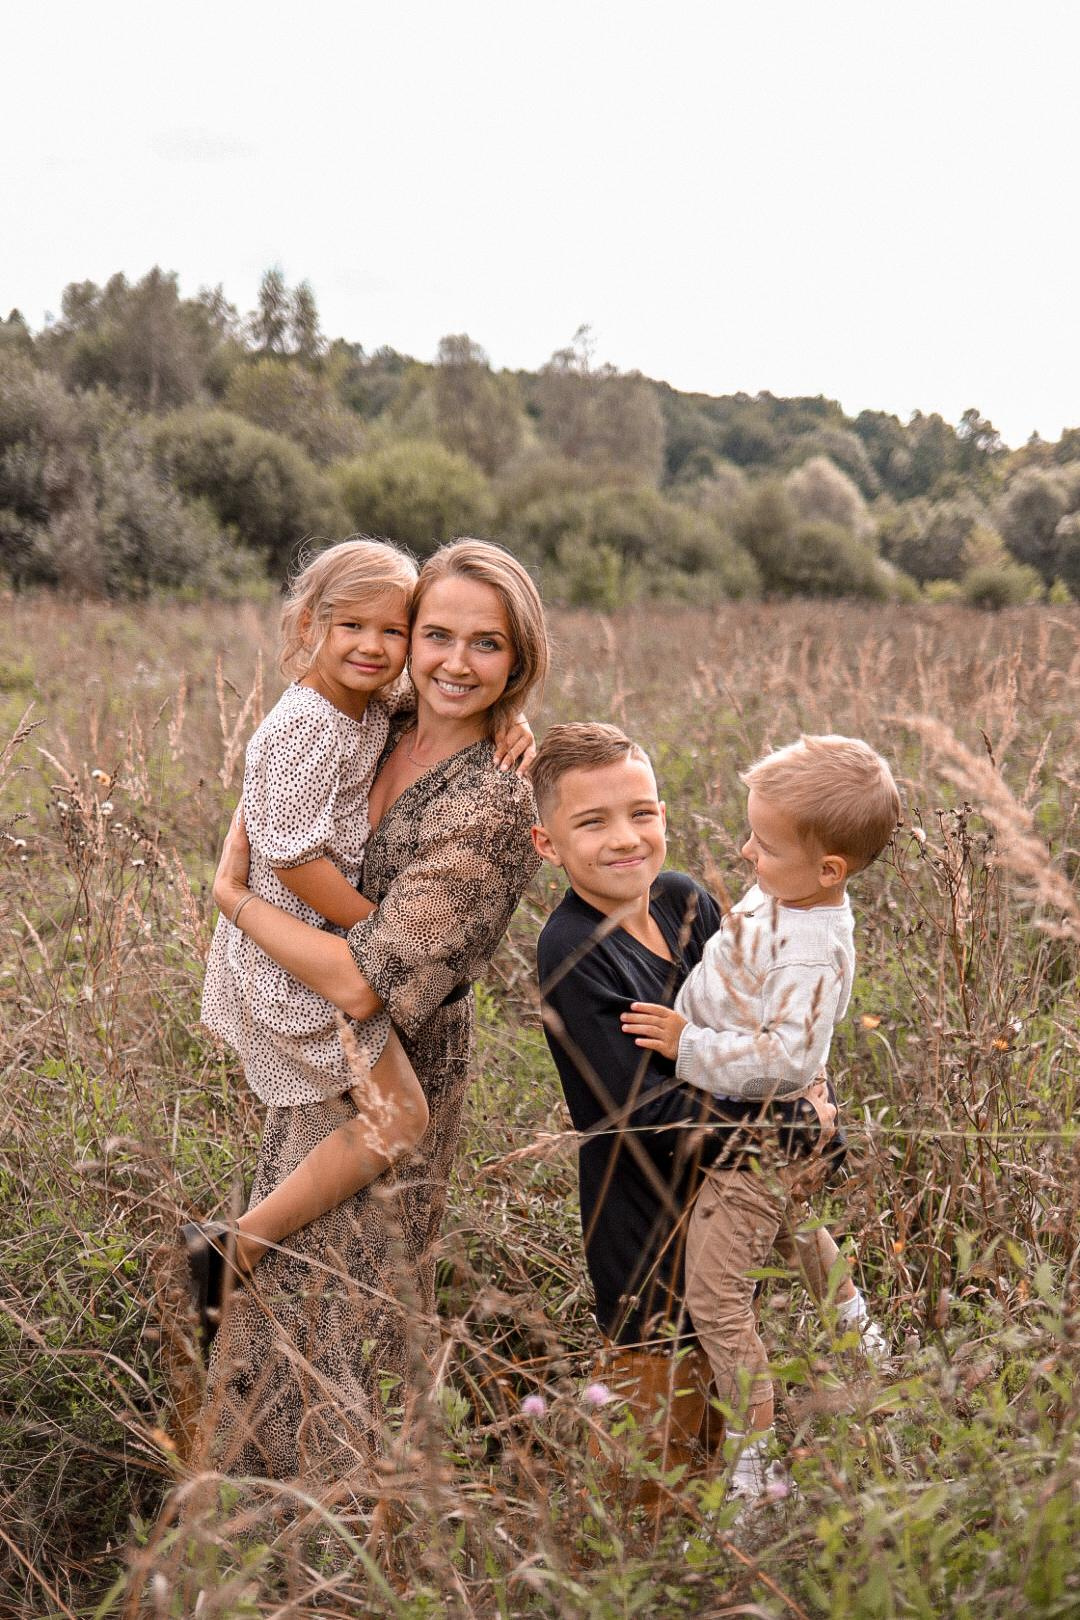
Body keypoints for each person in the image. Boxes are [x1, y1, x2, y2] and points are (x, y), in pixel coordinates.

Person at [198, 538, 549, 1479]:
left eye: (488, 646)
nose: (453, 663)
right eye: (436, 634)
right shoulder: (377, 716)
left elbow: (364, 980)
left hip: (385, 1075)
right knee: (269, 1329)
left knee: (326, 1335)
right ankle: (242, 1557)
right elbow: (273, 797)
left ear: (519, 661)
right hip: (316, 1060)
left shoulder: (492, 805)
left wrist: (235, 900)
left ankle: (323, 1569)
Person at [530, 723, 835, 1506]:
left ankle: (739, 1536)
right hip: (646, 1241)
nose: (627, 840)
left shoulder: (684, 899)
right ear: (547, 843)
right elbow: (647, 1114)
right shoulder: (572, 946)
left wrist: (814, 1097)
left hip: (732, 1214)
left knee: (733, 1410)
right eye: (592, 823)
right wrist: (793, 1132)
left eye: (642, 812)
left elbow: (764, 1024)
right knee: (653, 1466)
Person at [621, 734, 899, 1504]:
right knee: (795, 1228)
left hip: (755, 1134)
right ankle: (860, 1330)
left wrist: (690, 1043)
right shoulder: (790, 890)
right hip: (762, 1121)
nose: (746, 853)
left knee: (714, 1294)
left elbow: (782, 1059)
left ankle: (753, 1461)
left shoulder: (810, 946)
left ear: (829, 871)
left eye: (765, 846)